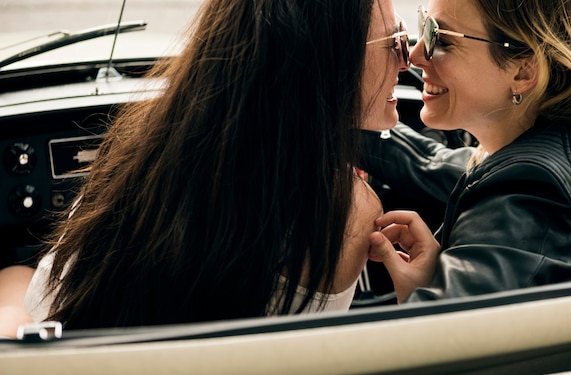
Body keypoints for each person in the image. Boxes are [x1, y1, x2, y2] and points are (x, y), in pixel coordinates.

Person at [0, 0, 411, 333]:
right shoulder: (344, 211)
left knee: (13, 276)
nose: (406, 60)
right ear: (329, 59)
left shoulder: (140, 147)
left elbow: (48, 303)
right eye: (395, 39)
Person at [367, 0, 571, 303]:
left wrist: (420, 299)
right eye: (425, 25)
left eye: (442, 38)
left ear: (523, 71)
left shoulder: (527, 190)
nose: (414, 54)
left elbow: (436, 342)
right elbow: (437, 164)